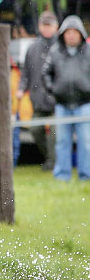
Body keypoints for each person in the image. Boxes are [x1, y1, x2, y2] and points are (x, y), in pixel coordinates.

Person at [42, 15, 90, 182]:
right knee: (62, 142)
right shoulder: (55, 51)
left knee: (85, 142)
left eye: (74, 32)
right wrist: (53, 90)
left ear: (80, 34)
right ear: (63, 34)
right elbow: (46, 73)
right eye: (68, 32)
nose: (71, 35)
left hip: (84, 104)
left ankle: (86, 175)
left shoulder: (88, 51)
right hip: (62, 105)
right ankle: (62, 176)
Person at [18, 11, 59, 171]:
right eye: (44, 25)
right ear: (40, 26)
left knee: (54, 131)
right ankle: (50, 158)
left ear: (56, 27)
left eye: (49, 25)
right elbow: (25, 73)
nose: (47, 28)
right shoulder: (32, 48)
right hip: (38, 99)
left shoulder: (60, 47)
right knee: (35, 129)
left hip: (57, 99)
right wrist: (21, 89)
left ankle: (52, 162)